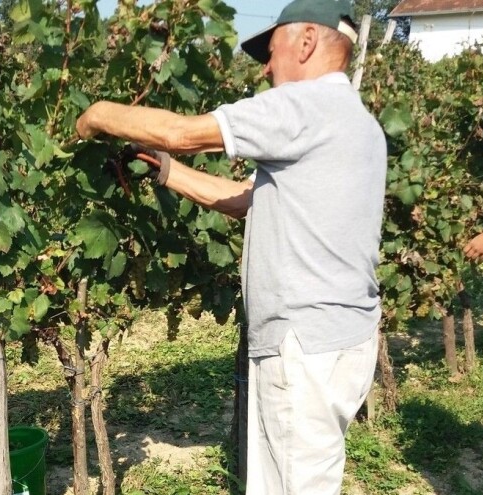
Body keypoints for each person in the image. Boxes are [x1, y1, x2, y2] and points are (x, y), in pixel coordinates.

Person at [75, 0, 385, 493]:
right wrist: (168, 172)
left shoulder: (303, 105)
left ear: (307, 41)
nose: (265, 66)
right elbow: (248, 201)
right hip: (341, 340)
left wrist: (98, 115)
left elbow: (182, 132)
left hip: (302, 348)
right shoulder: (357, 123)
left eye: (272, 49)